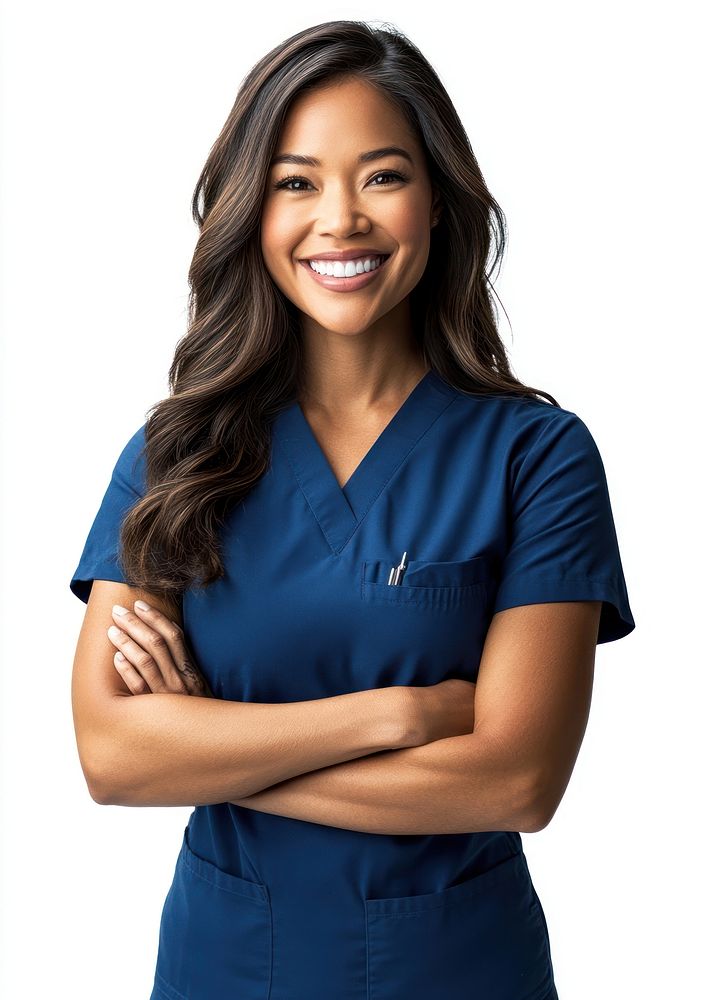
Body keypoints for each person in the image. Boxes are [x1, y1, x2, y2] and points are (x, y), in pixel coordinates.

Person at [69, 19, 635, 1000]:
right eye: (296, 182)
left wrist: (207, 748)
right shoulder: (175, 458)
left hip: (455, 970)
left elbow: (514, 782)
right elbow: (112, 756)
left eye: (381, 175)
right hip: (229, 964)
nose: (339, 219)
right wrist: (402, 713)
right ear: (252, 211)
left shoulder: (535, 458)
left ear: (435, 201)